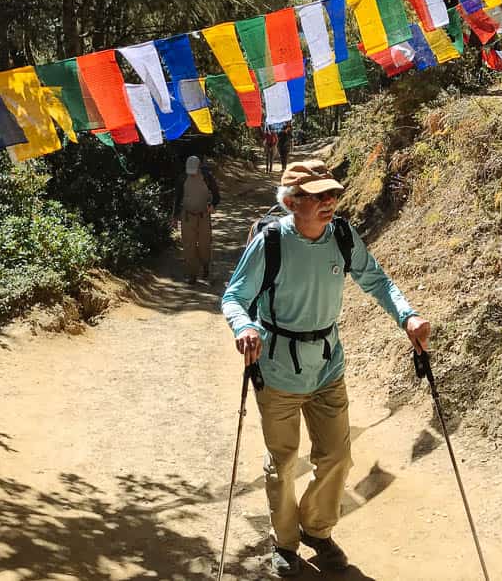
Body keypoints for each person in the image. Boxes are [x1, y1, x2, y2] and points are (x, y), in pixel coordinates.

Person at [221, 160, 431, 577]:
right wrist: (244, 326)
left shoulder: (341, 235)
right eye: (318, 195)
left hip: (328, 365)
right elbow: (233, 297)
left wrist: (407, 316)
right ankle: (284, 542)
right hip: (278, 369)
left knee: (337, 457)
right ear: (292, 201)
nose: (329, 201)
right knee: (282, 462)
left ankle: (317, 528)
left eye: (332, 193)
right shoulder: (271, 243)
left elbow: (376, 280)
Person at [172, 155, 220, 284]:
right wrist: (174, 217)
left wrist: (212, 205)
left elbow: (216, 195)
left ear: (199, 167)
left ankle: (205, 265)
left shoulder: (207, 177)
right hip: (187, 216)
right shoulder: (182, 178)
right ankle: (191, 274)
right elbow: (177, 198)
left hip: (203, 215)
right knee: (189, 246)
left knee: (204, 244)